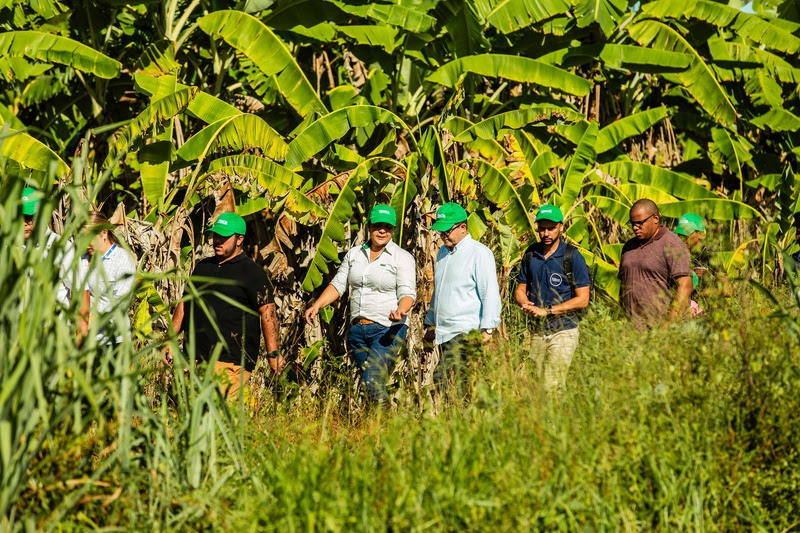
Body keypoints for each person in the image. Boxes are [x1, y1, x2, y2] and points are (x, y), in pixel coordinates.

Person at [304, 204, 416, 404]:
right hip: (358, 331)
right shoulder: (354, 254)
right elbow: (339, 284)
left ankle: (387, 426)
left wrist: (401, 311)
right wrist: (317, 305)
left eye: (388, 227)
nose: (382, 230)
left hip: (388, 328)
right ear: (369, 226)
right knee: (370, 385)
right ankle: (377, 429)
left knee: (372, 380)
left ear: (393, 230)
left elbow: (408, 293)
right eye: (378, 225)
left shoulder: (402, 258)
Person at [170, 212, 281, 397]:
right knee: (196, 419)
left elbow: (268, 312)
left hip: (231, 361)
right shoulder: (203, 266)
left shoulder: (252, 272)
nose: (217, 240)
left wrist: (273, 353)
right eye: (216, 235)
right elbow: (184, 304)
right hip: (197, 358)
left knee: (221, 418)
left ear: (239, 240)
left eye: (224, 236)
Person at [425, 202, 502, 390]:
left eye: (447, 231)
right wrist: (430, 322)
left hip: (465, 330)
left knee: (442, 377)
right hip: (444, 331)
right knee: (460, 384)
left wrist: (488, 329)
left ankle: (459, 416)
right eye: (441, 232)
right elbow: (441, 289)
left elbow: (489, 291)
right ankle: (463, 417)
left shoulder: (479, 253)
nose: (443, 236)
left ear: (462, 227)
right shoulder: (443, 252)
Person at [514, 204, 590, 391]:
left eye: (551, 228)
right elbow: (520, 288)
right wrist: (524, 303)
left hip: (564, 330)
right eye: (542, 228)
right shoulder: (531, 254)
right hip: (537, 331)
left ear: (561, 227)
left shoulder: (572, 256)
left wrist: (547, 311)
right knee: (534, 386)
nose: (546, 233)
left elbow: (583, 299)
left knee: (551, 386)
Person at [618, 199, 693, 328]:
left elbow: (685, 286)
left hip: (661, 329)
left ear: (655, 218)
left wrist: (669, 323)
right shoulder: (628, 247)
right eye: (632, 223)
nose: (635, 227)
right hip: (632, 330)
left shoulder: (671, 244)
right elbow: (624, 286)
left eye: (640, 223)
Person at [77, 211, 137, 345]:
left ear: (104, 233)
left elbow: (119, 304)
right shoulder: (83, 258)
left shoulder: (122, 260)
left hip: (113, 341)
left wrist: (89, 323)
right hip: (87, 340)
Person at [21, 186, 74, 306]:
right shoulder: (8, 247)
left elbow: (80, 290)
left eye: (29, 217)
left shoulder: (62, 247)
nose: (24, 223)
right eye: (20, 216)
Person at [674, 212, 707, 316]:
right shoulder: (675, 257)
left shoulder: (709, 258)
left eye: (685, 236)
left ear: (700, 235)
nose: (682, 240)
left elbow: (729, 291)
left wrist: (702, 293)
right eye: (680, 235)